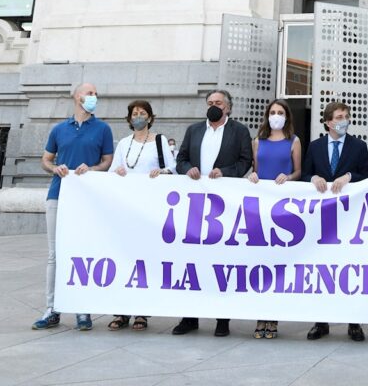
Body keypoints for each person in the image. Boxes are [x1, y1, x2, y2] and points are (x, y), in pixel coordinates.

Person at [32, 82, 114, 332]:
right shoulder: (59, 129)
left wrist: (91, 169)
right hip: (58, 194)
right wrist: (54, 167)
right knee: (54, 254)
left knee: (83, 252)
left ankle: (82, 309)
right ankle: (52, 308)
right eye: (90, 93)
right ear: (77, 97)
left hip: (87, 199)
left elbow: (107, 161)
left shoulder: (103, 129)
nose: (94, 97)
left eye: (96, 93)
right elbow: (46, 159)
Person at [172, 89, 252, 337]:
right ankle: (189, 317)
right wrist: (189, 169)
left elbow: (245, 161)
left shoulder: (239, 131)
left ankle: (222, 319)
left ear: (228, 107)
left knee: (221, 260)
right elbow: (181, 159)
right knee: (193, 259)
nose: (213, 106)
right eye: (209, 103)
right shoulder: (194, 130)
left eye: (218, 103)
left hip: (223, 205)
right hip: (195, 203)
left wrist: (225, 172)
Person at [301, 100, 368, 342]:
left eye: (346, 116)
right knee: (321, 268)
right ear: (328, 122)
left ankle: (354, 323)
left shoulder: (359, 146)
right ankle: (321, 322)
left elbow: (367, 176)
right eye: (339, 117)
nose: (344, 121)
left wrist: (349, 176)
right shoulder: (315, 146)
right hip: (321, 221)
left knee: (350, 268)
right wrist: (314, 178)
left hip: (350, 220)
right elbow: (304, 175)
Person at [108, 100, 177, 332]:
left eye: (142, 113)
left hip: (150, 209)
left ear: (150, 117)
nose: (138, 116)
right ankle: (121, 311)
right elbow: (112, 172)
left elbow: (173, 169)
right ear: (129, 119)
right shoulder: (124, 144)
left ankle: (142, 313)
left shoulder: (159, 142)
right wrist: (117, 172)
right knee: (124, 258)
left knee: (145, 261)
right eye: (134, 113)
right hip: (126, 210)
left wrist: (162, 172)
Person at [247, 98, 302, 339]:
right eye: (273, 112)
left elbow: (299, 171)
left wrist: (288, 177)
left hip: (283, 209)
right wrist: (253, 177)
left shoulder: (294, 141)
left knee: (278, 263)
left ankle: (274, 317)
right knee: (260, 262)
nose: (276, 115)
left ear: (286, 116)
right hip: (261, 207)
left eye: (280, 112)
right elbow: (255, 169)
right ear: (267, 115)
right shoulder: (257, 141)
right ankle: (260, 316)